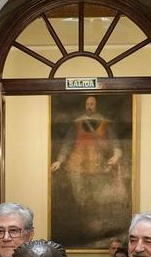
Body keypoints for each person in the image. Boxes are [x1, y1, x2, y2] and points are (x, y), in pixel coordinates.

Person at [50, 95, 125, 246]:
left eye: (92, 103)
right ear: (85, 105)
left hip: (98, 166)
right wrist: (60, 160)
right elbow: (68, 143)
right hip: (77, 164)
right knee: (80, 198)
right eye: (87, 103)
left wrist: (116, 155)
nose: (89, 106)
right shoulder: (77, 124)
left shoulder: (105, 123)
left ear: (96, 105)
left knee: (97, 199)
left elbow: (115, 142)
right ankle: (83, 227)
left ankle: (97, 230)